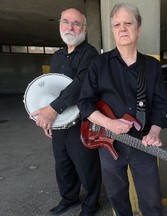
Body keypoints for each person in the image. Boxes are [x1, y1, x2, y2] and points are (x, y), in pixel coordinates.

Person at [77, 3, 167, 216]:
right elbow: (84, 103)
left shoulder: (152, 66)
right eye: (117, 24)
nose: (122, 28)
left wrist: (154, 132)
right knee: (117, 198)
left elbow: (161, 104)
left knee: (152, 200)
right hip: (109, 142)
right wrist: (110, 124)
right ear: (112, 30)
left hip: (143, 143)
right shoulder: (99, 64)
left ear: (138, 28)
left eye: (128, 23)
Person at [31, 8, 102, 216]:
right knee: (63, 165)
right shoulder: (57, 56)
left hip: (81, 122)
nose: (70, 27)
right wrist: (49, 120)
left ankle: (91, 204)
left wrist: (52, 110)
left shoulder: (90, 54)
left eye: (76, 23)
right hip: (59, 121)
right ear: (60, 25)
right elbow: (52, 89)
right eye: (66, 22)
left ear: (85, 29)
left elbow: (80, 85)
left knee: (86, 165)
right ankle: (69, 198)